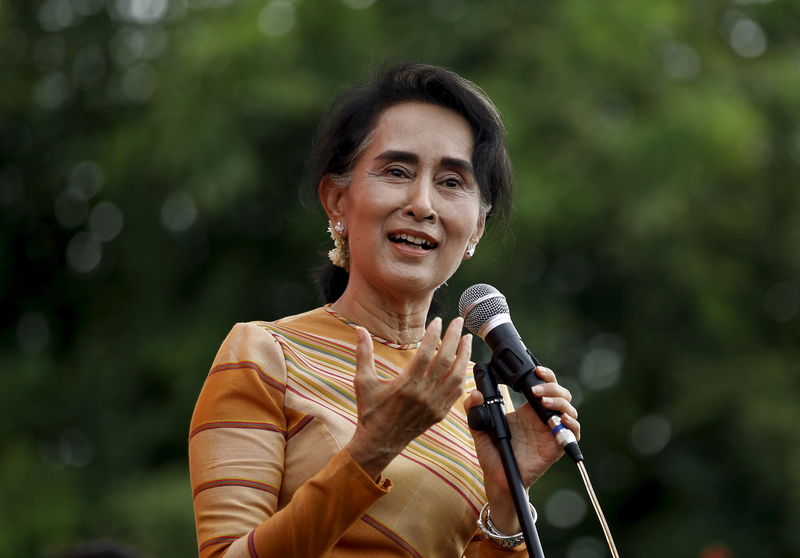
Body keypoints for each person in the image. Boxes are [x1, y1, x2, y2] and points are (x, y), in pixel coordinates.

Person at [188, 62, 580, 558]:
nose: (422, 204)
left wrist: (506, 503)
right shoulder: (268, 356)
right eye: (397, 171)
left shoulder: (478, 402)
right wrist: (372, 450)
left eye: (452, 182)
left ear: (477, 228)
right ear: (337, 200)